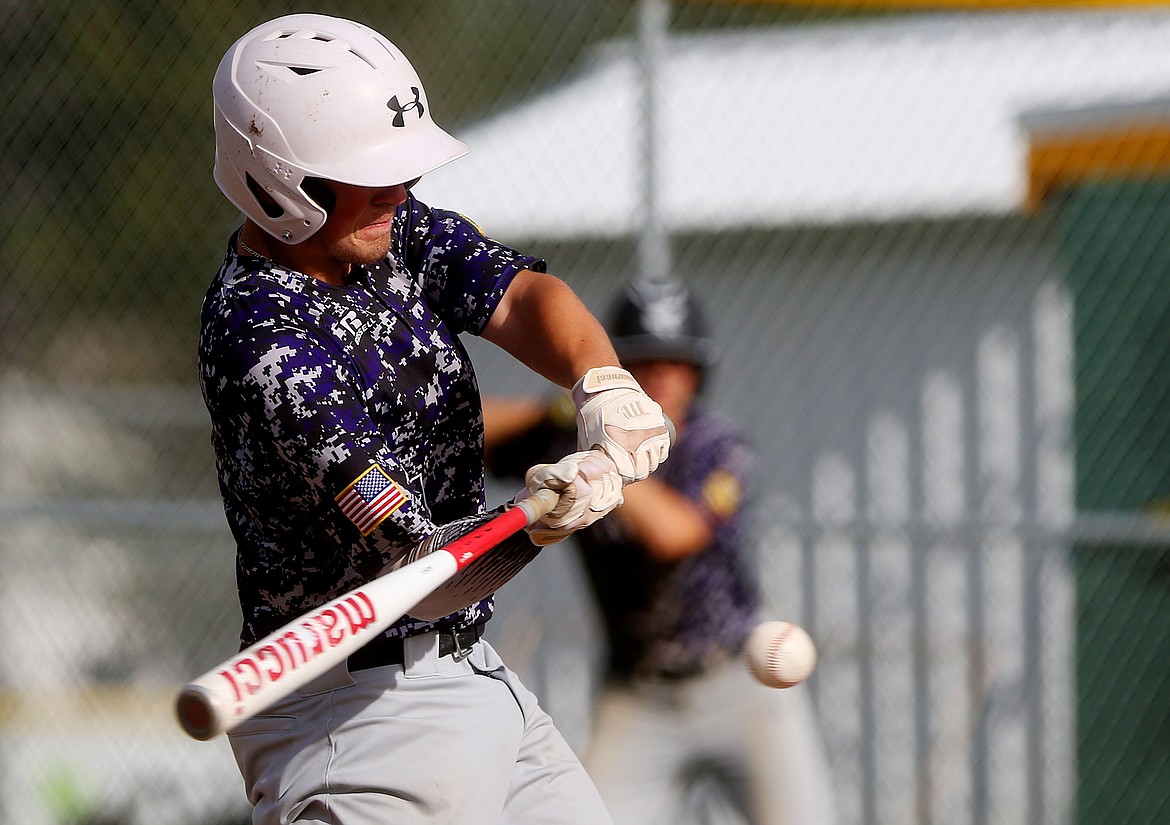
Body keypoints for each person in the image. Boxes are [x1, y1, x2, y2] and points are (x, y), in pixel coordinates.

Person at [198, 14, 671, 825]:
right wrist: (547, 518)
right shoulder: (262, 339)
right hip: (359, 713)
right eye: (363, 173)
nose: (398, 191)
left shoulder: (384, 231)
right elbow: (422, 570)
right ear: (278, 177)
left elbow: (521, 295)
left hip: (463, 673)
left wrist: (601, 381)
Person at [484, 278, 838, 825]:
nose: (661, 377)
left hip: (738, 680)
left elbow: (677, 536)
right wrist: (552, 411)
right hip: (637, 694)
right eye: (643, 363)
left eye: (678, 363)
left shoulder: (716, 444)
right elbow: (468, 429)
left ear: (698, 374)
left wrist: (606, 462)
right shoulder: (568, 433)